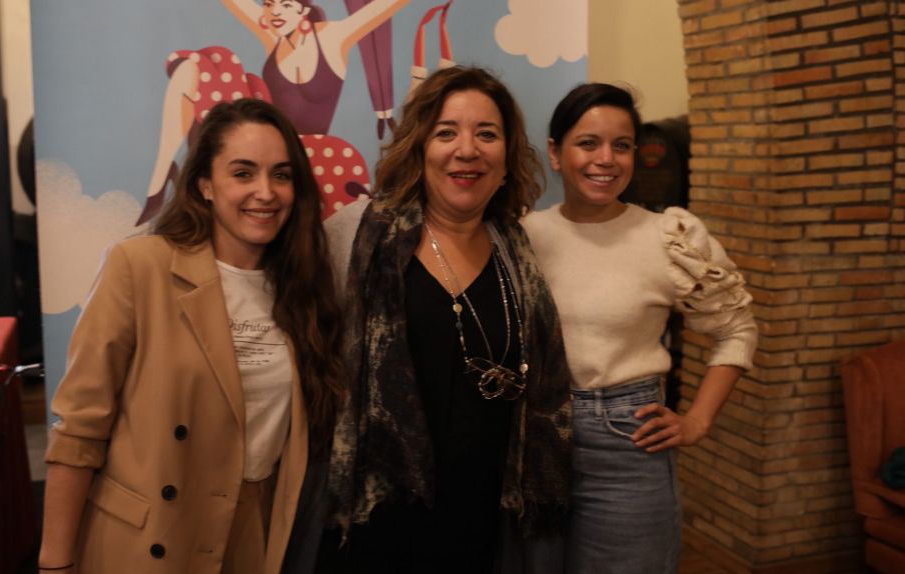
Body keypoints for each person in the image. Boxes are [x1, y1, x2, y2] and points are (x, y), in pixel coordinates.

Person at [37, 99, 344, 574]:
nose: (265, 192)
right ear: (204, 184)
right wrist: (54, 563)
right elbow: (79, 430)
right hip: (151, 539)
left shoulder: (305, 289)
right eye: (243, 173)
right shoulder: (140, 267)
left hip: (253, 532)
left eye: (281, 175)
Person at [323, 66, 574, 573]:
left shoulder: (519, 251)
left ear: (507, 156)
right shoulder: (357, 237)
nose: (467, 150)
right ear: (418, 147)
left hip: (482, 516)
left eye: (487, 134)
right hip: (378, 514)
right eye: (446, 133)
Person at [523, 83, 758, 574]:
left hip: (627, 443)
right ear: (556, 153)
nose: (606, 159)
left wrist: (697, 421)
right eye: (588, 143)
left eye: (622, 145)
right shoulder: (524, 235)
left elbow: (737, 328)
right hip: (532, 442)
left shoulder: (668, 236)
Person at [136, 0, 410, 224]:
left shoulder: (333, 37)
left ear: (303, 10)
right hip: (264, 148)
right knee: (193, 69)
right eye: (268, 4)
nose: (275, 11)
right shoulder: (272, 34)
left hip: (307, 155)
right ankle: (160, 181)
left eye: (286, 5)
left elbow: (384, 6)